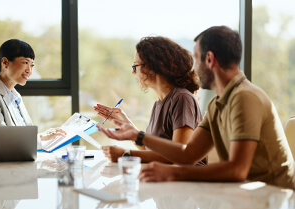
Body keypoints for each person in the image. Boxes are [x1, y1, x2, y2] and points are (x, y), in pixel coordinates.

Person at [97, 26, 295, 189]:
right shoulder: (218, 103)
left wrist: (171, 172)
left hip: (276, 196)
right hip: (249, 192)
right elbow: (187, 154)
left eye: (196, 57)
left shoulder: (245, 97)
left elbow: (237, 171)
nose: (193, 68)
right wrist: (137, 136)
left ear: (209, 59)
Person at [94, 36, 205, 165]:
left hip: (186, 181)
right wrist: (128, 125)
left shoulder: (182, 99)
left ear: (152, 67)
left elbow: (179, 156)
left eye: (135, 66)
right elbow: (149, 151)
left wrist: (126, 155)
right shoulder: (159, 103)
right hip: (165, 177)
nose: (133, 72)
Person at [0, 39, 65, 143]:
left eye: (31, 65)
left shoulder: (16, 96)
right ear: (5, 62)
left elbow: (25, 135)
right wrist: (41, 137)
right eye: (25, 62)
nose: (29, 71)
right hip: (2, 158)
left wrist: (44, 137)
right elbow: (0, 138)